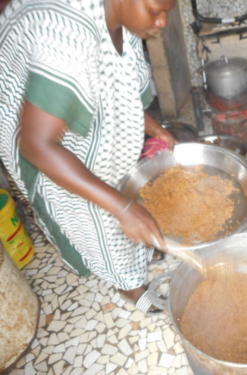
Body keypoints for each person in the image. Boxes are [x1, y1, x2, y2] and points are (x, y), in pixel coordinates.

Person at [0, 0, 177, 313]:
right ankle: (130, 287)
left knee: (120, 192)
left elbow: (113, 81)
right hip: (37, 128)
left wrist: (151, 126)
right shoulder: (67, 43)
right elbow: (37, 145)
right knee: (96, 211)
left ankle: (136, 243)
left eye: (167, 11)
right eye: (155, 10)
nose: (162, 22)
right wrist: (122, 208)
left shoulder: (124, 18)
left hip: (59, 101)